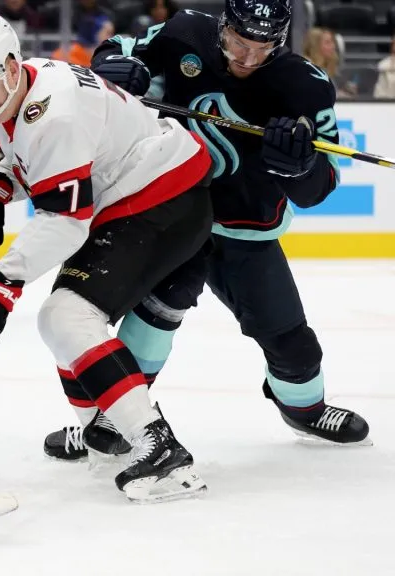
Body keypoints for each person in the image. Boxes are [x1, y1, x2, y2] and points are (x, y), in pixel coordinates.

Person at [43, 0, 371, 462]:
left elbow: (322, 184)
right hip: (171, 211)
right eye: (239, 42)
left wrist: (299, 168)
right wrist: (109, 66)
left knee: (291, 343)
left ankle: (306, 410)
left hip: (245, 229)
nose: (247, 58)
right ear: (223, 26)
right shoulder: (184, 32)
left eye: (262, 48)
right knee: (155, 316)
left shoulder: (306, 85)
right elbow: (118, 48)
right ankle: (112, 419)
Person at [0, 13, 214, 502]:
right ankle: (107, 435)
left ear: (8, 67)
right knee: (62, 318)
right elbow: (40, 157)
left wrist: (1, 282)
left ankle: (161, 451)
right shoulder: (25, 85)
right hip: (138, 193)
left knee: (67, 316)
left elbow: (66, 219)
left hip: (161, 199)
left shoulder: (54, 113)